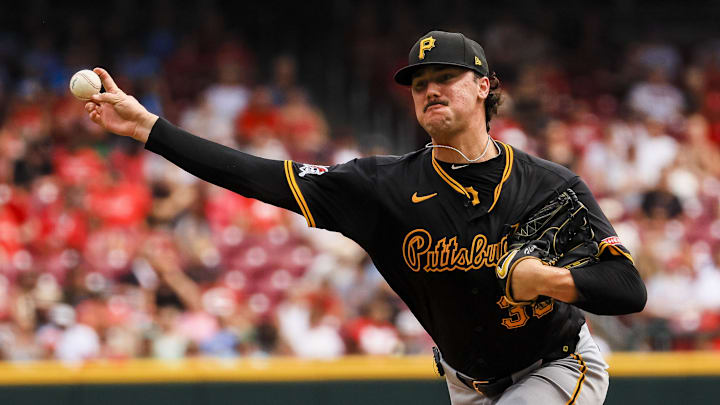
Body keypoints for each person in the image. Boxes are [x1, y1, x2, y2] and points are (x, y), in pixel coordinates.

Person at [83, 30, 646, 404]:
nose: (429, 90)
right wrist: (148, 130)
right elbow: (256, 175)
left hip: (555, 365)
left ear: (483, 87)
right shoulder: (383, 187)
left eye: (444, 78)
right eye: (419, 84)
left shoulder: (549, 186)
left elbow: (627, 288)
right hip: (467, 384)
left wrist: (547, 280)